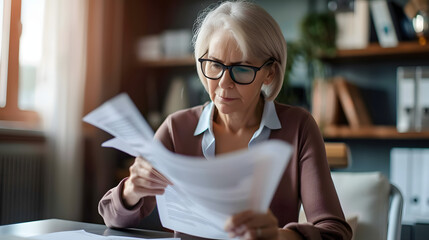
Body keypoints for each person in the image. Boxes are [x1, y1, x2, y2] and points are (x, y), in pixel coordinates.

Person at [98, 1, 352, 239]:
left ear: (269, 73)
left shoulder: (299, 128)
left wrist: (278, 236)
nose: (223, 83)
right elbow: (111, 217)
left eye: (241, 69)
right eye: (214, 65)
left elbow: (334, 231)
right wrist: (132, 189)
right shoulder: (176, 128)